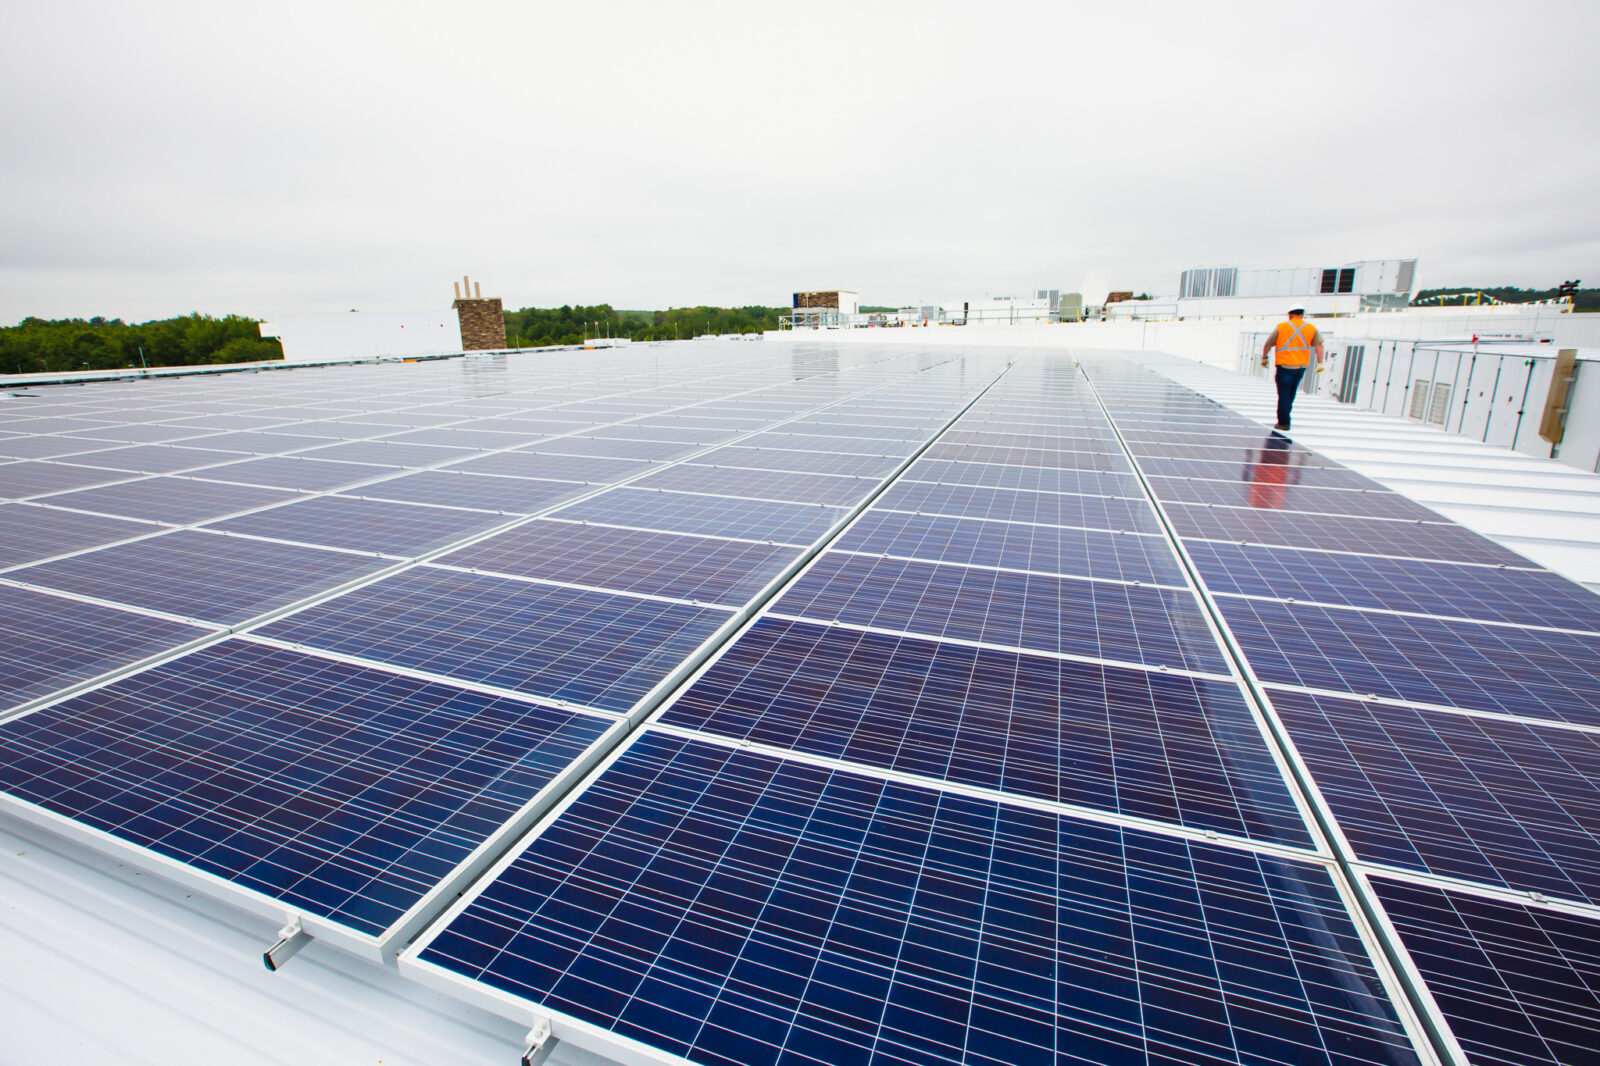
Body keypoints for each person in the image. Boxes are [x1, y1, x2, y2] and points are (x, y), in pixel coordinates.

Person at [1260, 308, 1324, 431]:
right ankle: (1285, 417)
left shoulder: (1281, 327)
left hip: (1284, 365)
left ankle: (1283, 423)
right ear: (1302, 315)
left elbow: (1268, 344)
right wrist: (1320, 363)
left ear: (1289, 314)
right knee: (1291, 394)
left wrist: (1264, 357)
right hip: (1301, 366)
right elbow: (1319, 346)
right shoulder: (1311, 328)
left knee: (1283, 394)